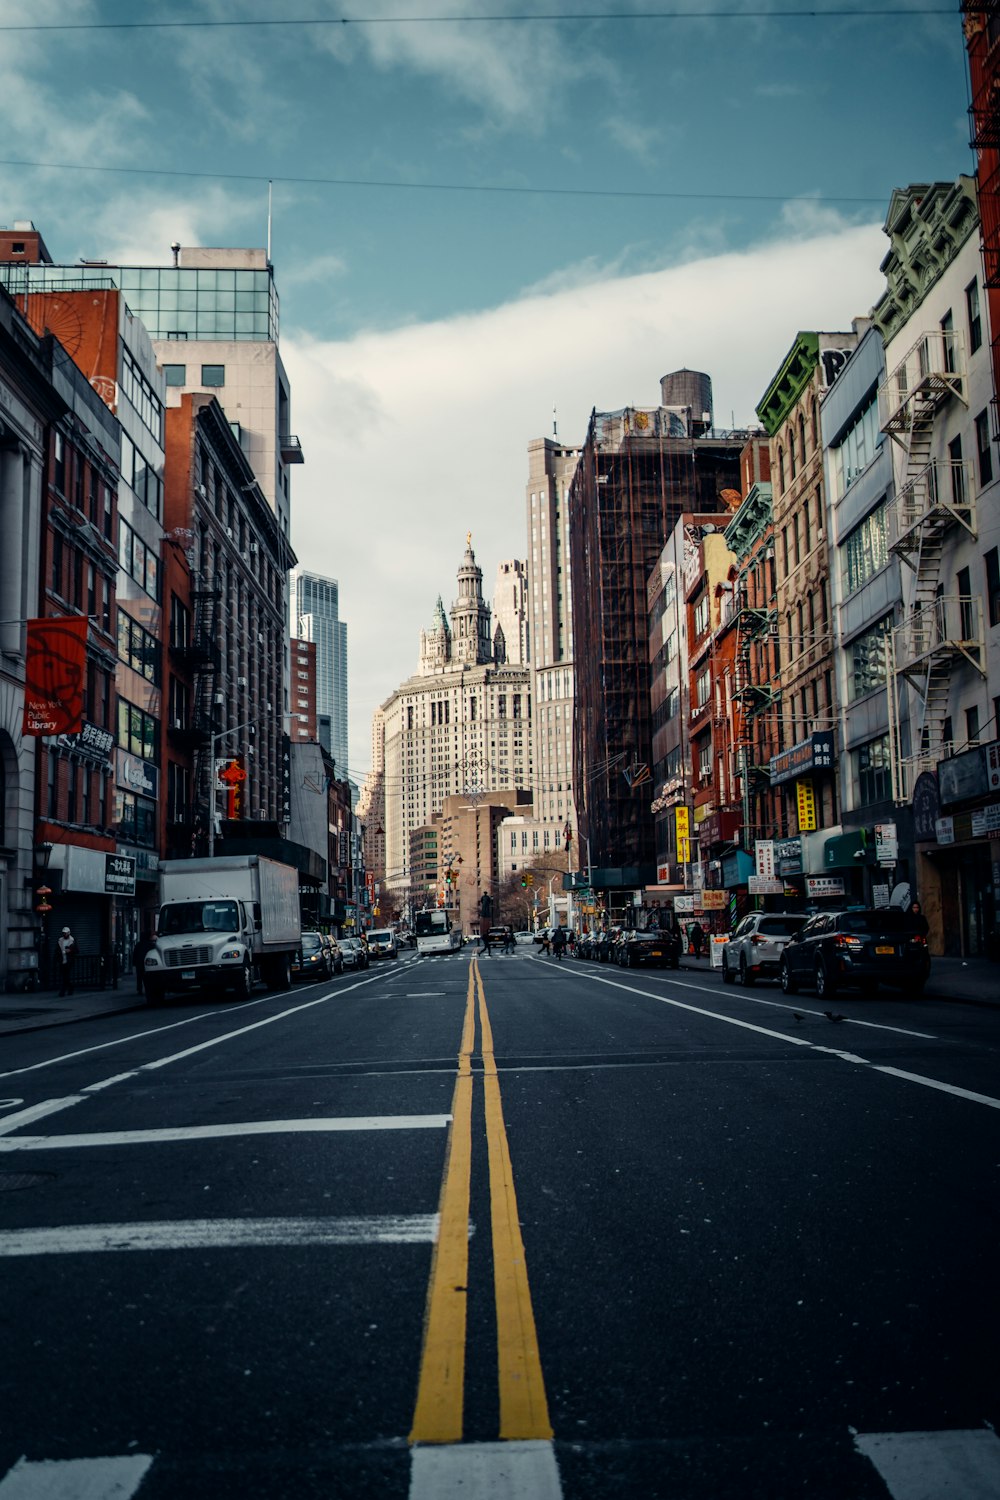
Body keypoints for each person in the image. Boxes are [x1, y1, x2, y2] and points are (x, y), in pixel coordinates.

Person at [57, 926, 77, 996]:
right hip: (62, 961)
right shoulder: (60, 940)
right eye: (63, 933)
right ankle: (70, 988)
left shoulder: (72, 940)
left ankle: (63, 991)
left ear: (69, 933)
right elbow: (57, 951)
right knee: (65, 977)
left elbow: (77, 950)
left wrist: (70, 950)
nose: (64, 934)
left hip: (69, 962)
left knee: (66, 977)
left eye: (65, 933)